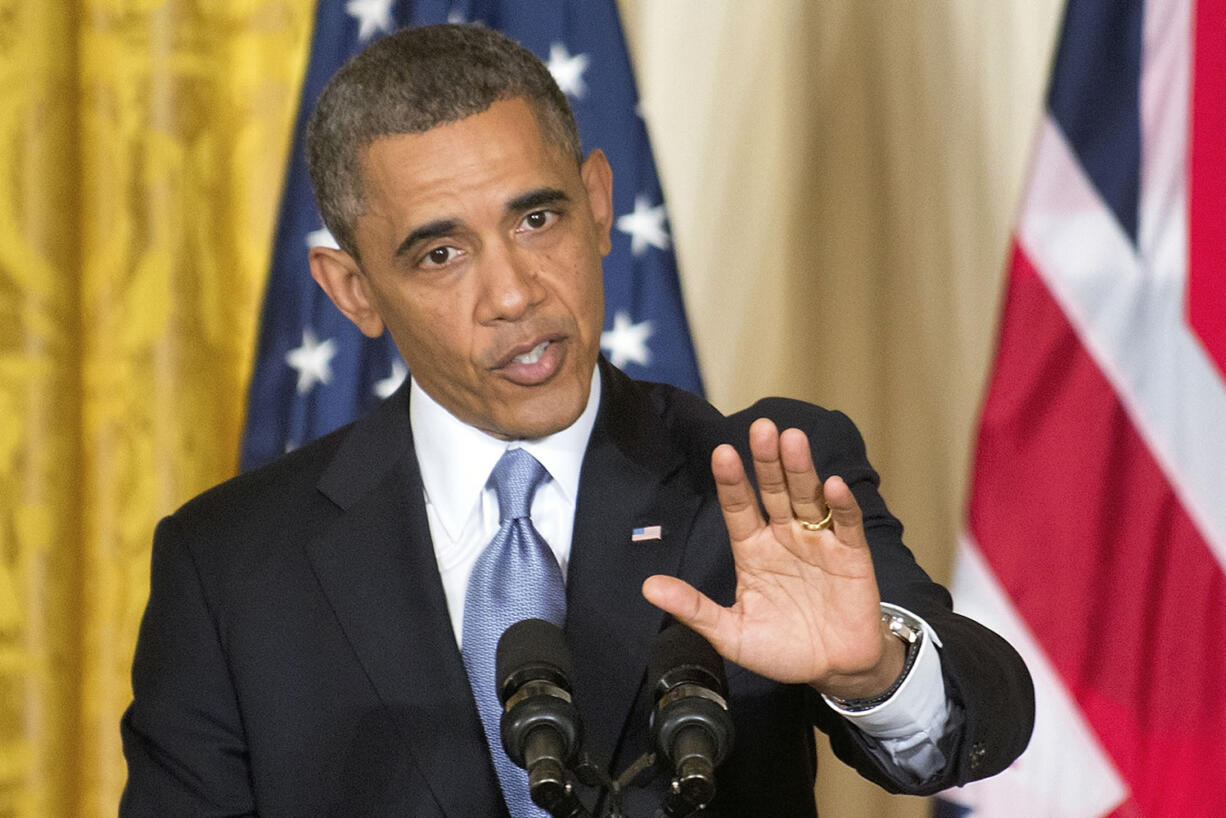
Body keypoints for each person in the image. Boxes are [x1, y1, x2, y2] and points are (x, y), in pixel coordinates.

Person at [120, 23, 1033, 817]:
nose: (514, 293)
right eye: (440, 253)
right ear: (354, 290)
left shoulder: (758, 483)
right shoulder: (230, 568)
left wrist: (875, 674)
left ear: (598, 204)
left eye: (537, 218)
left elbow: (977, 723)